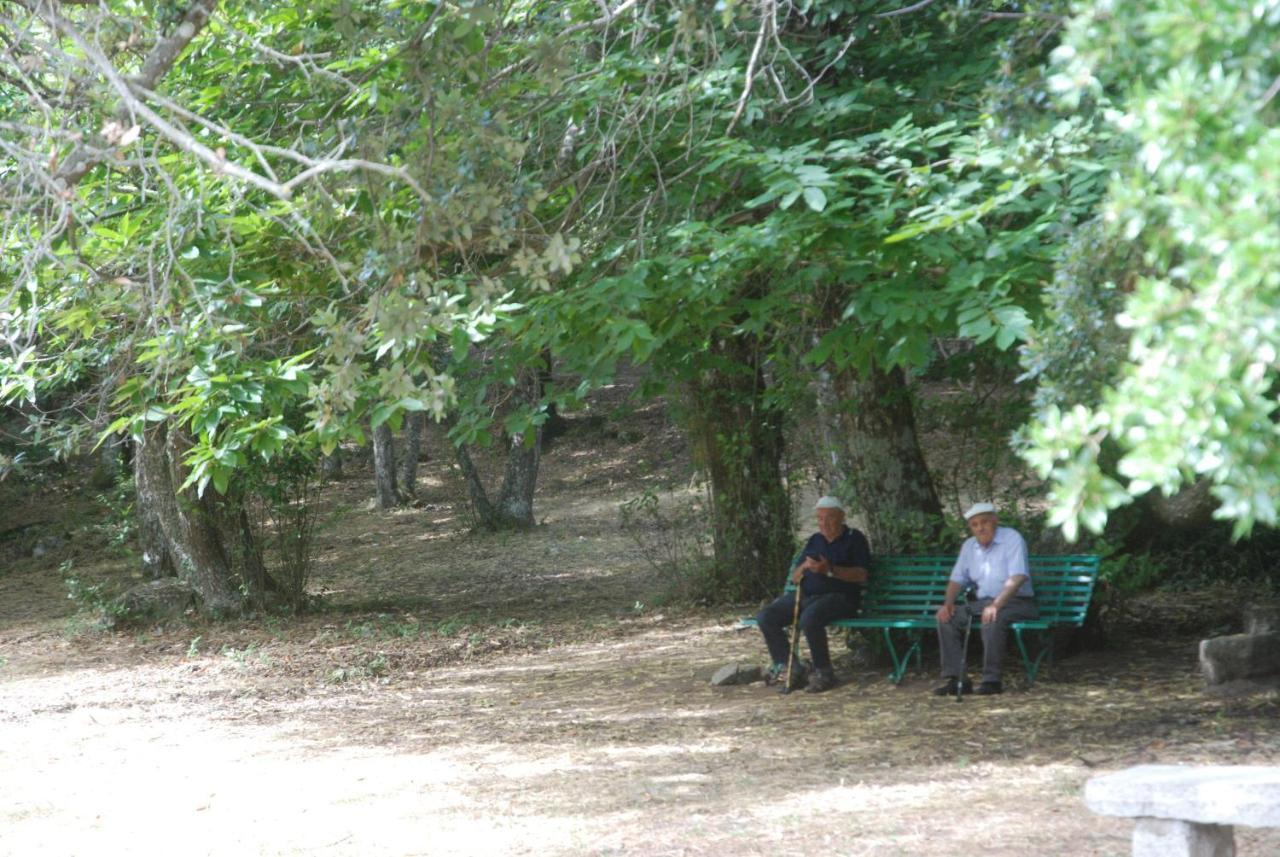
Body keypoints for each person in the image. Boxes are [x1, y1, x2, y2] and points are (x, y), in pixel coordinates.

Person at [756, 496, 871, 694]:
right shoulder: (815, 540)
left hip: (840, 597)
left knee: (810, 618)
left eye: (829, 518)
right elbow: (795, 577)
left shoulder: (854, 538)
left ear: (841, 517)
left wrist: (830, 570)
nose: (823, 523)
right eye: (819, 519)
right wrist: (805, 567)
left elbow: (862, 575)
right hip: (807, 595)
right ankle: (791, 668)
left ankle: (824, 672)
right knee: (766, 616)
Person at [933, 503, 1038, 696]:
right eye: (974, 525)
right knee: (947, 618)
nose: (980, 528)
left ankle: (992, 680)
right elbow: (957, 579)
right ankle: (958, 680)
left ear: (995, 521)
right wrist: (948, 604)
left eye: (984, 522)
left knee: (991, 618)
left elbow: (1018, 577)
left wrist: (997, 604)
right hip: (983, 602)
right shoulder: (969, 546)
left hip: (1017, 602)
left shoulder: (1011, 538)